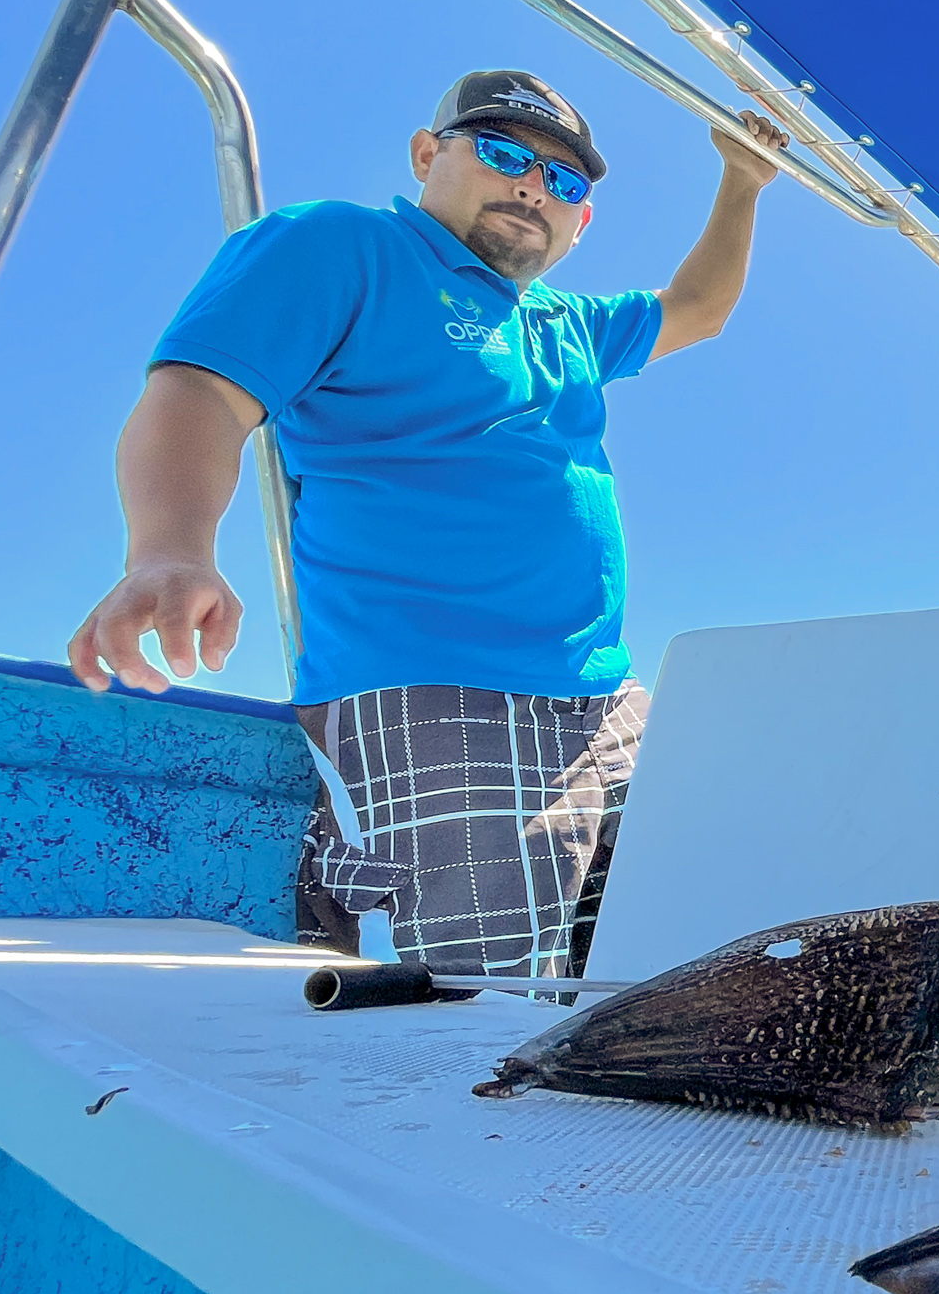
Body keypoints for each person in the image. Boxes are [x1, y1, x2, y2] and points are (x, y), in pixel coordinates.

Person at [67, 71, 790, 979]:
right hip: (429, 696)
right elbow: (202, 395)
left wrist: (741, 185)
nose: (534, 185)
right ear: (425, 153)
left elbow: (699, 310)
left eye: (565, 182)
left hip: (609, 704)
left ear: (581, 222)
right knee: (465, 1008)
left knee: (674, 955)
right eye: (503, 153)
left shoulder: (565, 321)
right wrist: (170, 550)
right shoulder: (344, 245)